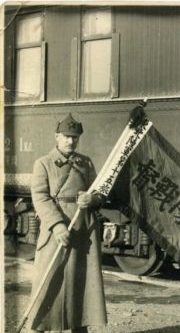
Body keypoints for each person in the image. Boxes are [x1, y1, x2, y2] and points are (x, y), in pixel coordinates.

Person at [28, 114, 107, 333]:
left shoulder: (86, 162)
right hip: (56, 232)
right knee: (49, 282)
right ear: (57, 137)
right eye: (66, 137)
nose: (71, 141)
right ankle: (40, 327)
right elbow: (40, 197)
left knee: (80, 285)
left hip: (83, 231)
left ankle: (78, 327)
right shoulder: (43, 163)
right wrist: (57, 225)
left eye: (75, 138)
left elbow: (100, 191)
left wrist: (93, 199)